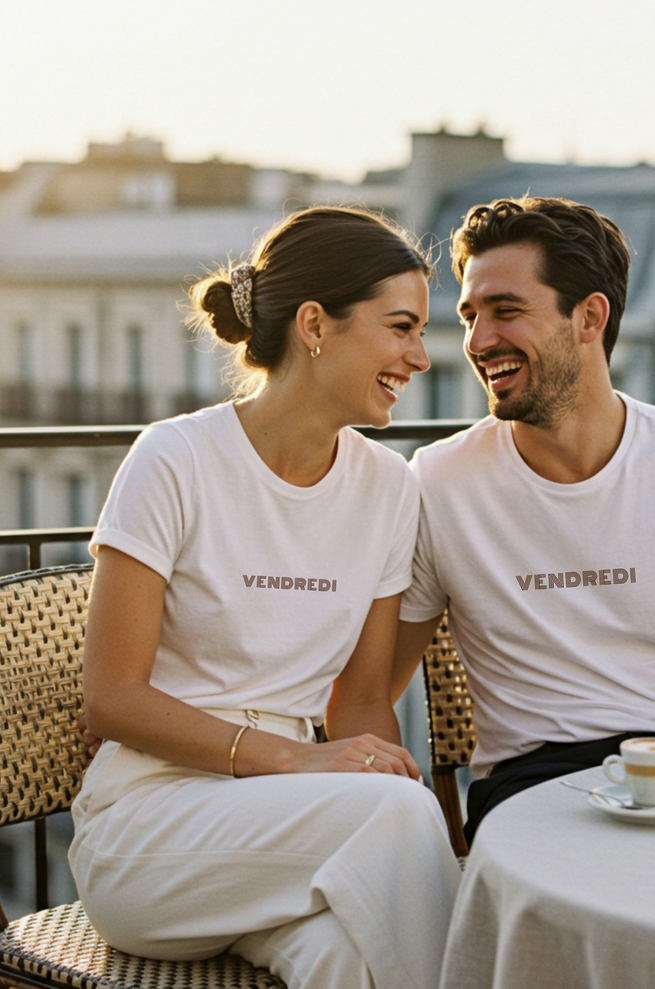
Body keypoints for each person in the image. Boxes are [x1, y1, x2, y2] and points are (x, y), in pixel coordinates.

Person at [69, 206, 461, 989]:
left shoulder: (388, 489)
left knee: (352, 958)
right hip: (150, 829)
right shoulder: (175, 459)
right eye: (400, 327)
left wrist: (368, 763)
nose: (420, 355)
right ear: (315, 324)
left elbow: (357, 706)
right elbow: (109, 699)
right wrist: (299, 759)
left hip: (295, 828)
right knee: (400, 819)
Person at [393, 196, 655, 844]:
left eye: (506, 311)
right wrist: (408, 828)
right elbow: (366, 691)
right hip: (529, 794)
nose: (476, 341)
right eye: (470, 315)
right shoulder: (438, 482)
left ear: (589, 317)